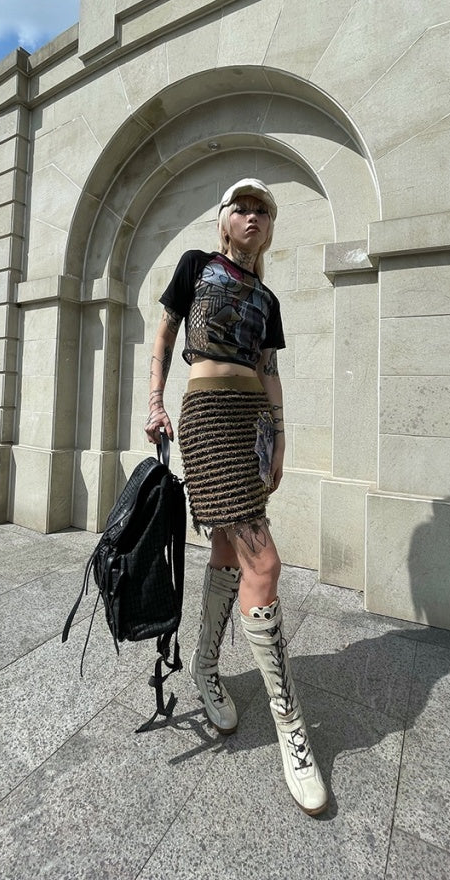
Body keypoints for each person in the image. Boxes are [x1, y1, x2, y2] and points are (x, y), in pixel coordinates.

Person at [144, 178, 328, 816]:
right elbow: (164, 336)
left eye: (262, 211)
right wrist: (154, 403)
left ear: (269, 227)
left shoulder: (268, 298)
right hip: (206, 416)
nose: (252, 217)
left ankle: (204, 666)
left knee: (229, 548)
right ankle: (289, 721)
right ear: (224, 219)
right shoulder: (196, 266)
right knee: (265, 562)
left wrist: (280, 437)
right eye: (242, 208)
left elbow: (269, 371)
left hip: (251, 421)